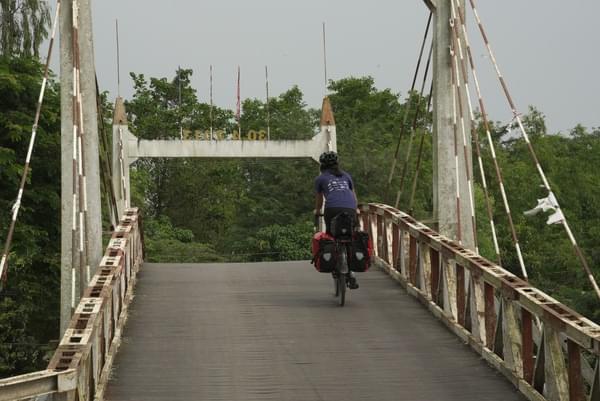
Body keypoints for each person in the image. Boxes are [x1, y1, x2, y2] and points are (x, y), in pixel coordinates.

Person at [314, 151, 360, 289]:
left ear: (322, 165)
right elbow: (354, 197)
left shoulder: (321, 179)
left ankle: (335, 263)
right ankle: (351, 271)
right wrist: (355, 210)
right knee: (351, 236)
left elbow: (319, 200)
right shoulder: (346, 176)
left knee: (331, 236)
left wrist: (317, 211)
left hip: (332, 210)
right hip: (351, 209)